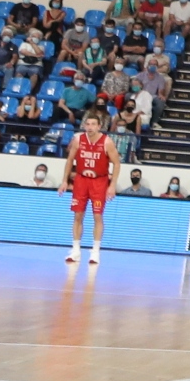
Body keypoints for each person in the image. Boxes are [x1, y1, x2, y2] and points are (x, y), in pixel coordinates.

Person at [63, 110, 117, 267]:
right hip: (80, 180)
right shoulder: (78, 139)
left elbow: (117, 163)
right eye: (87, 124)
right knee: (78, 215)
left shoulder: (107, 142)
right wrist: (64, 181)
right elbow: (70, 159)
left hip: (99, 181)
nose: (90, 127)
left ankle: (95, 251)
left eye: (93, 124)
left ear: (99, 126)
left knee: (97, 216)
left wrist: (112, 185)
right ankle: (75, 250)